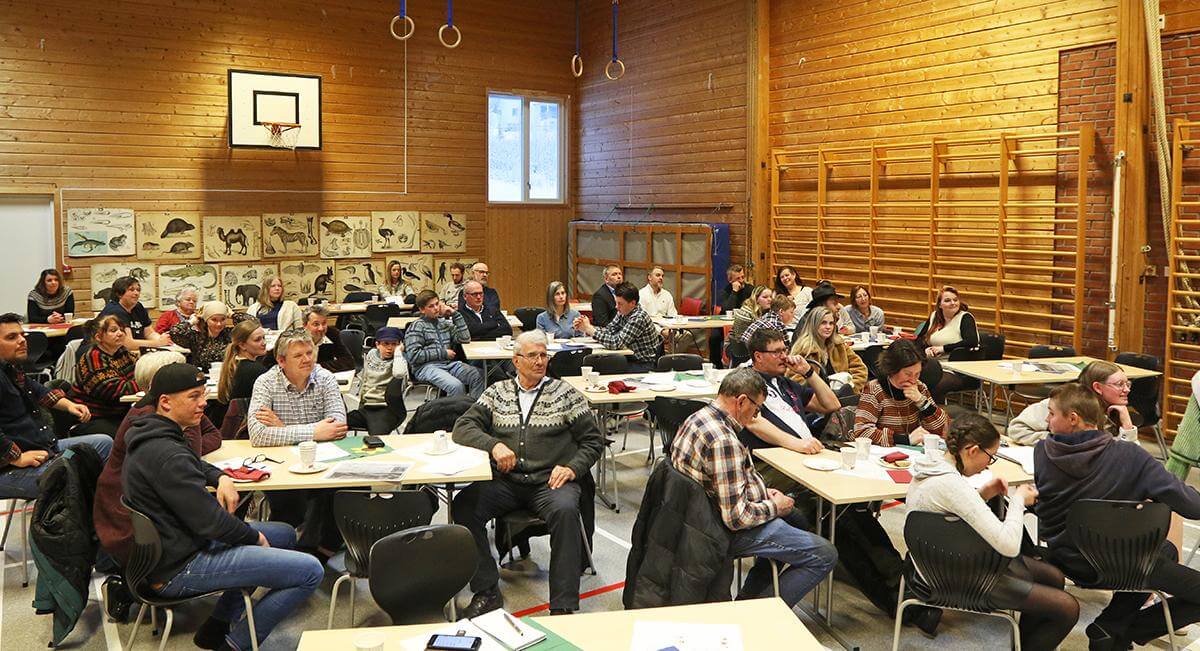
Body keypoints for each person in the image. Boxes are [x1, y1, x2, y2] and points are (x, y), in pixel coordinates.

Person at [122, 362, 323, 651]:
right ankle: (235, 645)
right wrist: (252, 537)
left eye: (203, 393)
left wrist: (221, 476)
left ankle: (216, 626)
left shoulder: (154, 435)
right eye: (194, 396)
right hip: (180, 567)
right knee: (310, 571)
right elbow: (212, 522)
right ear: (165, 402)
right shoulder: (166, 453)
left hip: (172, 550)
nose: (204, 402)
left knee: (285, 534)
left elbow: (193, 465)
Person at [742, 327, 933, 624]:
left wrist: (809, 373)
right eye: (777, 352)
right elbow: (753, 423)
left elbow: (832, 405)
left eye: (784, 348)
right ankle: (902, 598)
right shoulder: (750, 383)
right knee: (840, 517)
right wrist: (797, 443)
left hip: (807, 463)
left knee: (849, 512)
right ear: (758, 356)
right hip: (775, 470)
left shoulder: (784, 383)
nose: (784, 355)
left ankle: (905, 592)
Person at [1035, 383, 1200, 649]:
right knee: (1158, 557)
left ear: (1073, 418)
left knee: (1166, 550)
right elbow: (1193, 507)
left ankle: (1110, 628)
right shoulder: (1130, 457)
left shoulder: (1042, 453)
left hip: (1065, 560)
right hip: (1121, 562)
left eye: (1051, 413)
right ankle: (1118, 627)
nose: (1047, 419)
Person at [452, 330, 604, 617]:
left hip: (551, 482)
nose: (539, 361)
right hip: (507, 483)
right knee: (464, 506)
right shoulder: (498, 392)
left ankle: (562, 605)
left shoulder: (566, 394)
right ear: (516, 361)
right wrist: (494, 445)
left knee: (566, 511)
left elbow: (593, 441)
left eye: (543, 355)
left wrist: (572, 467)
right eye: (532, 356)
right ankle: (486, 590)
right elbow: (463, 427)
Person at [671, 368, 837, 613]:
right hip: (717, 531)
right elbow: (737, 519)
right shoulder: (724, 441)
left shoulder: (699, 417)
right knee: (825, 554)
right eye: (757, 409)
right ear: (740, 401)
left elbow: (724, 483)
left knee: (797, 519)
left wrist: (761, 494)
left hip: (694, 519)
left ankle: (752, 596)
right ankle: (758, 615)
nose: (756, 416)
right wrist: (774, 506)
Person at [909, 413, 1078, 650]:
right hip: (951, 577)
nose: (989, 464)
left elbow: (951, 517)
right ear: (972, 450)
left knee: (1054, 577)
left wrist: (983, 495)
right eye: (990, 457)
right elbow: (1009, 546)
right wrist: (1018, 500)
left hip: (941, 561)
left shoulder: (932, 468)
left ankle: (1023, 645)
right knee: (1067, 608)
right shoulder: (951, 485)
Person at [95, 351, 222, 568]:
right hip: (137, 533)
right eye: (192, 393)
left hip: (158, 521)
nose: (201, 400)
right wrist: (190, 427)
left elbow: (213, 436)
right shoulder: (147, 418)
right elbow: (189, 455)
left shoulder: (174, 412)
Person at [247, 328, 348, 558]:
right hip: (283, 464)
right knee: (290, 504)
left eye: (309, 353)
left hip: (324, 461)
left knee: (344, 489)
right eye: (299, 355)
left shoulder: (325, 378)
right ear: (281, 360)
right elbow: (258, 435)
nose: (307, 360)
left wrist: (283, 429)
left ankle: (319, 549)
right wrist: (315, 431)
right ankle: (289, 550)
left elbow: (338, 427)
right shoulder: (265, 383)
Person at [0, 313, 109, 499]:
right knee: (78, 474)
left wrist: (69, 406)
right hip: (10, 469)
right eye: (12, 337)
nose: (22, 341)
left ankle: (101, 517)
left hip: (44, 447)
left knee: (104, 443)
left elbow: (39, 391)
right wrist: (16, 457)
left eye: (22, 335)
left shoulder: (11, 368)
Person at [1008, 360, 1139, 445]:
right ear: (1098, 387)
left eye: (1128, 384)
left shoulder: (1117, 412)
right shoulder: (1059, 404)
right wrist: (1060, 441)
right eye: (1120, 384)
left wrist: (1127, 426)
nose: (1126, 390)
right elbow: (1016, 429)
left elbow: (1131, 456)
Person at [853, 340, 947, 446]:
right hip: (883, 453)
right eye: (908, 374)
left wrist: (922, 402)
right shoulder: (874, 390)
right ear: (892, 369)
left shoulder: (919, 387)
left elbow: (943, 429)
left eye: (917, 374)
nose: (913, 380)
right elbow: (862, 432)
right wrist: (905, 440)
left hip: (912, 454)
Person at [66, 314, 140, 435]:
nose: (120, 333)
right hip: (95, 417)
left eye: (121, 329)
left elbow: (140, 371)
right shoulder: (93, 359)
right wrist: (145, 383)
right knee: (133, 434)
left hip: (118, 413)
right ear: (99, 337)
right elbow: (116, 391)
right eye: (113, 330)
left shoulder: (122, 352)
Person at [405, 290, 483, 397]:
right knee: (456, 386)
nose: (436, 308)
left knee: (478, 376)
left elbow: (465, 339)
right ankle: (456, 412)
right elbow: (413, 356)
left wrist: (455, 314)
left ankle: (473, 410)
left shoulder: (444, 323)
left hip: (448, 364)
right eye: (431, 306)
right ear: (422, 310)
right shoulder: (417, 326)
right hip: (426, 367)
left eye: (437, 304)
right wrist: (443, 353)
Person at [573, 283, 661, 372]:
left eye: (620, 303)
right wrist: (586, 326)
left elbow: (616, 343)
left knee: (601, 368)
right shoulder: (623, 312)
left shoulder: (638, 318)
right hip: (630, 359)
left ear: (632, 303)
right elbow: (609, 330)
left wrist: (590, 329)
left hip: (643, 365)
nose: (616, 307)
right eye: (616, 303)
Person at [915, 286, 978, 403]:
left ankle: (935, 417)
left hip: (956, 369)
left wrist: (943, 348)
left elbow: (971, 341)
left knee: (934, 384)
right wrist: (925, 350)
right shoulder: (934, 316)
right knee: (912, 378)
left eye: (955, 300)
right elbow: (919, 340)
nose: (953, 303)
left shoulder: (965, 318)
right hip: (931, 364)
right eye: (947, 300)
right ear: (940, 305)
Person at [789, 306, 868, 394]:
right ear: (814, 324)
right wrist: (821, 395)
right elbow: (794, 381)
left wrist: (850, 388)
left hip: (843, 398)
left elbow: (860, 369)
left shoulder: (839, 345)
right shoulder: (802, 349)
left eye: (831, 323)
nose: (828, 327)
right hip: (817, 402)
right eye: (823, 323)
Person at [346, 327, 408, 436]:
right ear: (377, 344)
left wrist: (398, 353)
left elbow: (399, 374)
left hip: (386, 409)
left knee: (376, 439)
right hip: (366, 407)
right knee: (336, 425)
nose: (389, 348)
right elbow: (366, 380)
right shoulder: (371, 354)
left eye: (394, 344)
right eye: (386, 344)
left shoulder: (399, 361)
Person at [99, 276, 170, 350]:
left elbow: (149, 333)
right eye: (131, 290)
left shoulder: (138, 307)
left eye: (138, 290)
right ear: (119, 294)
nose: (136, 293)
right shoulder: (115, 310)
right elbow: (128, 344)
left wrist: (162, 339)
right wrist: (159, 343)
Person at [169, 301, 245, 369]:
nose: (219, 324)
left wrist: (233, 315)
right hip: (202, 378)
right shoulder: (196, 337)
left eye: (223, 319)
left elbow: (253, 325)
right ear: (206, 320)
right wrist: (192, 321)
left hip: (226, 377)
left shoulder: (231, 334)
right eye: (214, 320)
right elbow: (175, 331)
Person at [217, 320, 270, 404]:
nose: (264, 343)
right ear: (242, 345)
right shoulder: (256, 371)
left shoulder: (233, 364)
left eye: (264, 338)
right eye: (257, 340)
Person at [302, 304, 355, 373]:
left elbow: (348, 362)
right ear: (305, 325)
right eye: (316, 324)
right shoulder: (297, 339)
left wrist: (316, 368)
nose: (321, 328)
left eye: (324, 323)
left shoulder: (332, 334)